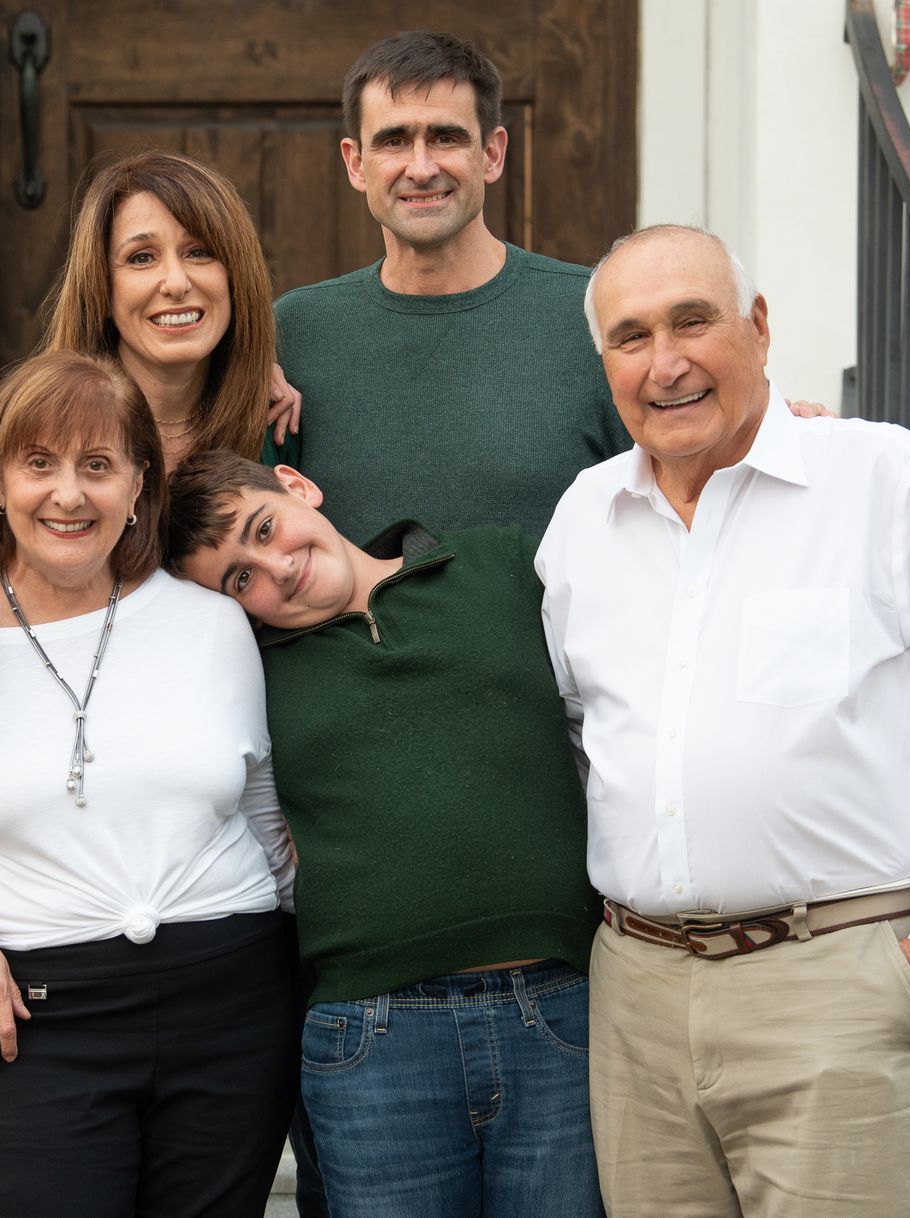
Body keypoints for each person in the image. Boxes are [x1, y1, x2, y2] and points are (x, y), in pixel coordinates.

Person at [537, 224, 910, 1217]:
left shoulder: (884, 481)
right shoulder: (583, 522)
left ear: (760, 328)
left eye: (695, 321)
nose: (668, 362)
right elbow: (573, 739)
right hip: (636, 997)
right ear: (605, 362)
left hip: (837, 985)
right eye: (632, 336)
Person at [0, 351, 299, 1217]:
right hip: (29, 1023)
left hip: (234, 1012)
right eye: (39, 464)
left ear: (139, 486)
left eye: (99, 465)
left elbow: (264, 825)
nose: (69, 494)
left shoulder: (211, 625)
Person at [164, 449, 604, 1218]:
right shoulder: (252, 671)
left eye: (265, 528)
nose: (276, 569)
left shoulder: (501, 563)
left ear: (297, 486)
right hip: (375, 1036)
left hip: (563, 1009)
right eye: (240, 579)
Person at [272, 30, 631, 543]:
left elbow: (690, 478)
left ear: (492, 153)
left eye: (446, 137)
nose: (421, 168)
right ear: (356, 163)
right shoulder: (296, 329)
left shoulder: (594, 313)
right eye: (394, 140)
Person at [0, 150, 301, 480]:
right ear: (101, 288)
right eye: (141, 258)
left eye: (199, 252)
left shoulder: (278, 426)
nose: (176, 283)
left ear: (235, 276)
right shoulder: (21, 423)